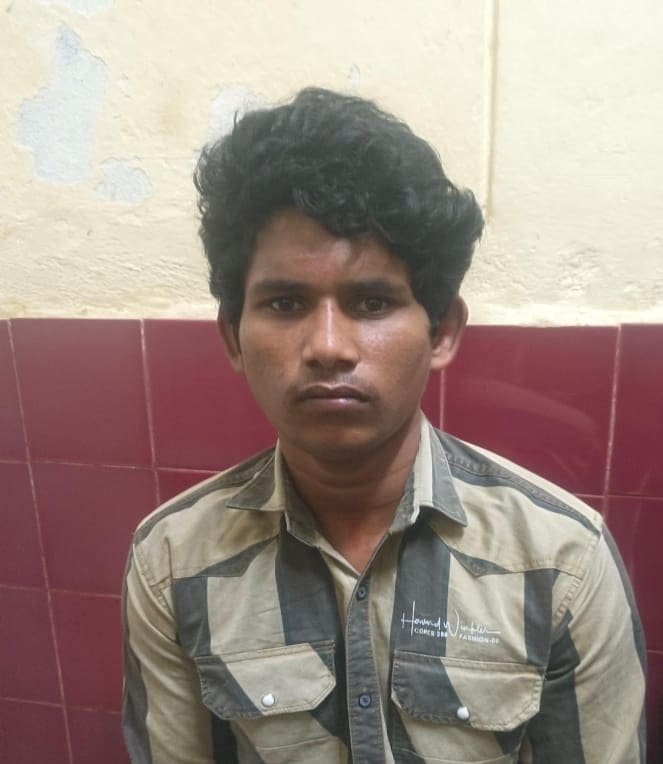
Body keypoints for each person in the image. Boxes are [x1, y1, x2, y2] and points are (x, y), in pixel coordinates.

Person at [122, 88, 646, 764]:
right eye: (284, 303)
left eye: (371, 302)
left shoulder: (560, 560)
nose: (328, 346)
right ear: (232, 336)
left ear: (442, 331)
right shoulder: (174, 561)